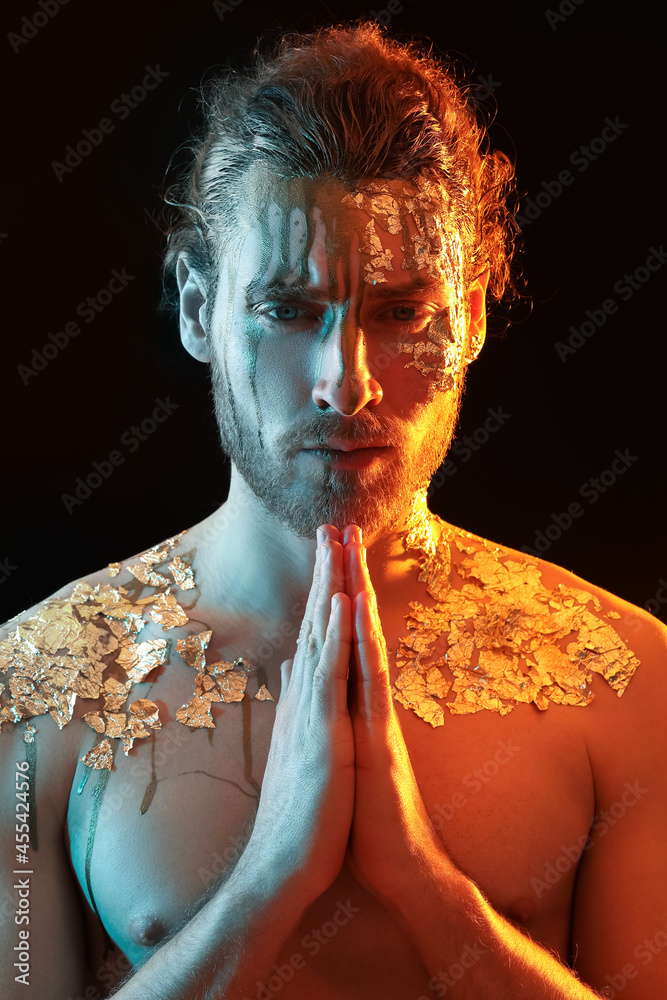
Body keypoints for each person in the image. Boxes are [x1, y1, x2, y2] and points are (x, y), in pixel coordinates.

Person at [1, 20, 665, 1000]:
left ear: (472, 316)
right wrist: (269, 879)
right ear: (197, 309)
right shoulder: (32, 693)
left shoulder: (631, 687)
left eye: (401, 312)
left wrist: (427, 888)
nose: (343, 385)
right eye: (286, 309)